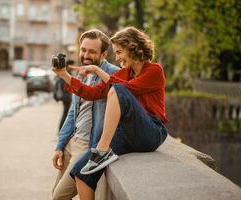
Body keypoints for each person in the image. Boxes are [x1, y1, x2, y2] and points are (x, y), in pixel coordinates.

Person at [53, 26, 168, 200]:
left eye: (120, 52)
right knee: (81, 172)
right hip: (127, 133)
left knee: (116, 90)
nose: (118, 57)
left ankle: (102, 150)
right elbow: (92, 93)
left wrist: (98, 70)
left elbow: (126, 89)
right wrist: (64, 75)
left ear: (133, 48)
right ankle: (100, 152)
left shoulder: (154, 70)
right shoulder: (124, 73)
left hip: (151, 132)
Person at [51, 29, 119, 200]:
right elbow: (73, 112)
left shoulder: (113, 74)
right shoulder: (81, 74)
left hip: (87, 146)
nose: (86, 55)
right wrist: (60, 145)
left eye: (92, 51)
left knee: (59, 196)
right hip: (71, 141)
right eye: (83, 49)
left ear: (104, 54)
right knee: (55, 194)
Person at [53, 60, 74, 131]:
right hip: (66, 97)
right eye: (71, 65)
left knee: (66, 113)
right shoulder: (66, 73)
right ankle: (61, 129)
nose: (72, 67)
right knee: (65, 114)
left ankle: (61, 129)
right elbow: (64, 85)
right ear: (68, 65)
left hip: (66, 96)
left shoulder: (66, 73)